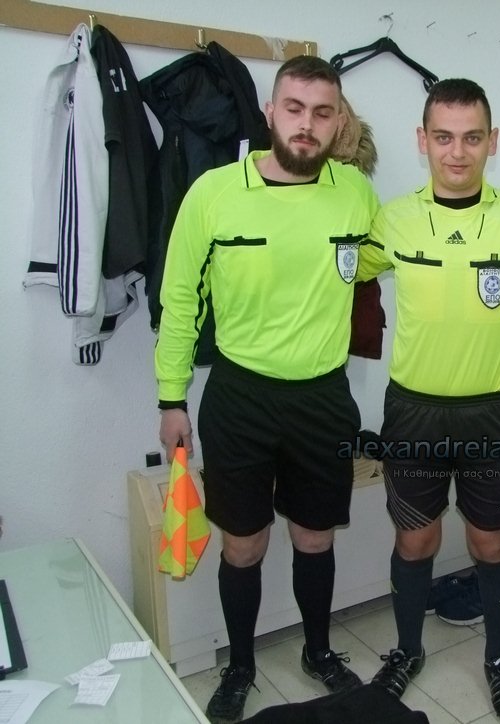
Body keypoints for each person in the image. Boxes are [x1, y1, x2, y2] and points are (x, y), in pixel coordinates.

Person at [155, 56, 381, 724]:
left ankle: (318, 651)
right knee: (243, 545)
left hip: (323, 399)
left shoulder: (354, 193)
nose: (306, 125)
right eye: (294, 109)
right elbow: (179, 299)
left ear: (338, 122)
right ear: (270, 113)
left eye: (321, 112)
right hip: (239, 398)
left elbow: (382, 259)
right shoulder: (215, 192)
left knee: (315, 537)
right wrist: (171, 398)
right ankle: (242, 666)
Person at [359, 79, 500, 722]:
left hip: (492, 412)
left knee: (492, 543)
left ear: (493, 141)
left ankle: (499, 656)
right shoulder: (392, 219)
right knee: (416, 541)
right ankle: (407, 649)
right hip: (413, 411)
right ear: (423, 141)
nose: (457, 152)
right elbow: (341, 272)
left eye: (471, 138)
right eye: (443, 137)